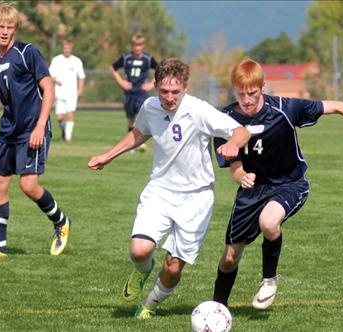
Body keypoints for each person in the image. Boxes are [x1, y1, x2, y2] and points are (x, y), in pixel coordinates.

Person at [212, 59, 343, 310]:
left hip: (289, 183)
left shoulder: (286, 108)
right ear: (234, 90)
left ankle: (269, 279)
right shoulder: (224, 119)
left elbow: (338, 106)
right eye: (241, 95)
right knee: (230, 258)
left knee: (268, 221)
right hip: (252, 191)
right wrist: (240, 175)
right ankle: (216, 309)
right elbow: (234, 167)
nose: (247, 100)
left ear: (263, 87)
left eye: (252, 93)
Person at [88, 58, 251, 319]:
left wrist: (233, 144)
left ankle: (149, 306)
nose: (170, 97)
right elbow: (140, 132)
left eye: (176, 92)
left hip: (196, 198)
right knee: (139, 250)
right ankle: (142, 272)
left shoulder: (199, 110)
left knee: (173, 267)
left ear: (186, 87)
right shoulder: (150, 107)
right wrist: (108, 155)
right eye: (164, 91)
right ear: (155, 86)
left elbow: (241, 131)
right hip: (160, 190)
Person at [0, 3, 71, 259]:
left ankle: (61, 221)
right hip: (8, 129)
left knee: (28, 185)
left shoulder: (28, 52)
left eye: (10, 27)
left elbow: (48, 89)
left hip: (32, 128)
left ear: (15, 28)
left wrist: (41, 125)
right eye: (0, 27)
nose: (5, 32)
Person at [110, 33, 158, 134]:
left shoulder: (148, 59)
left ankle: (139, 141)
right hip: (129, 91)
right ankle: (131, 143)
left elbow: (160, 70)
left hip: (141, 91)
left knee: (142, 115)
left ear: (143, 45)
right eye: (135, 45)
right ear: (132, 45)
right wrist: (121, 82)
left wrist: (152, 84)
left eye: (139, 45)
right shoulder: (126, 57)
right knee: (130, 118)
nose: (137, 48)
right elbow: (113, 68)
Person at [49, 39, 86, 142]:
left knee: (70, 113)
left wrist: (80, 89)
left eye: (68, 48)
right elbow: (50, 75)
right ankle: (64, 131)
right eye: (65, 48)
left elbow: (81, 77)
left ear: (71, 48)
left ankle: (67, 138)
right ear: (62, 48)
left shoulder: (77, 61)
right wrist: (56, 81)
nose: (67, 50)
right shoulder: (56, 60)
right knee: (59, 117)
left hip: (72, 93)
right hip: (59, 93)